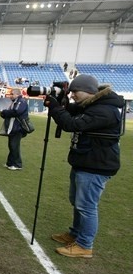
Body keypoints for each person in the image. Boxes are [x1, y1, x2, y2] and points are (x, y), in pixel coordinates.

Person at [46, 74, 124, 258]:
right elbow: (73, 110)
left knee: (86, 206)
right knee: (78, 202)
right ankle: (75, 234)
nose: (72, 96)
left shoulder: (104, 110)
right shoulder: (94, 105)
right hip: (86, 161)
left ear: (89, 92)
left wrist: (57, 109)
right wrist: (60, 102)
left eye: (75, 92)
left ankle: (84, 245)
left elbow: (71, 124)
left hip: (96, 165)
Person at [0, 88, 29, 170]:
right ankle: (10, 163)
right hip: (13, 128)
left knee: (14, 146)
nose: (10, 96)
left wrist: (4, 112)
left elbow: (16, 112)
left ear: (17, 94)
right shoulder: (16, 102)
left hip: (18, 128)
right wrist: (4, 113)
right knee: (12, 145)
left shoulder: (21, 101)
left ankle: (17, 164)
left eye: (12, 94)